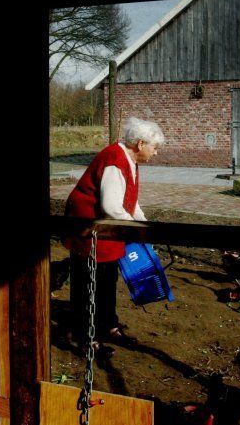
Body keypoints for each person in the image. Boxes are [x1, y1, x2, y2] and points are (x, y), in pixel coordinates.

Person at [64, 116, 165, 357]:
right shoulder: (114, 159)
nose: (156, 153)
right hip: (90, 230)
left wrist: (142, 222)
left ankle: (108, 324)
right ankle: (83, 336)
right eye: (155, 147)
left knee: (108, 278)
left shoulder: (129, 159)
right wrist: (135, 228)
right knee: (89, 282)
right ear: (140, 144)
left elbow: (129, 198)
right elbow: (111, 206)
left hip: (106, 231)